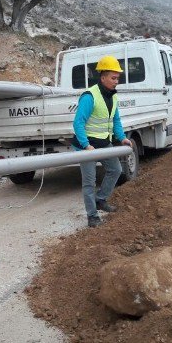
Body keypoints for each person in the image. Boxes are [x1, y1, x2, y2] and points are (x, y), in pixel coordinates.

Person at [71, 55, 132, 228]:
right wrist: (85, 145)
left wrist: (123, 138)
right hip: (87, 145)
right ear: (103, 77)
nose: (116, 81)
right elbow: (78, 123)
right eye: (113, 78)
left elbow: (116, 121)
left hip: (103, 142)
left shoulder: (113, 96)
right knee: (89, 182)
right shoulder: (90, 96)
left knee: (116, 170)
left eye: (117, 78)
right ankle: (92, 216)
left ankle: (100, 199)